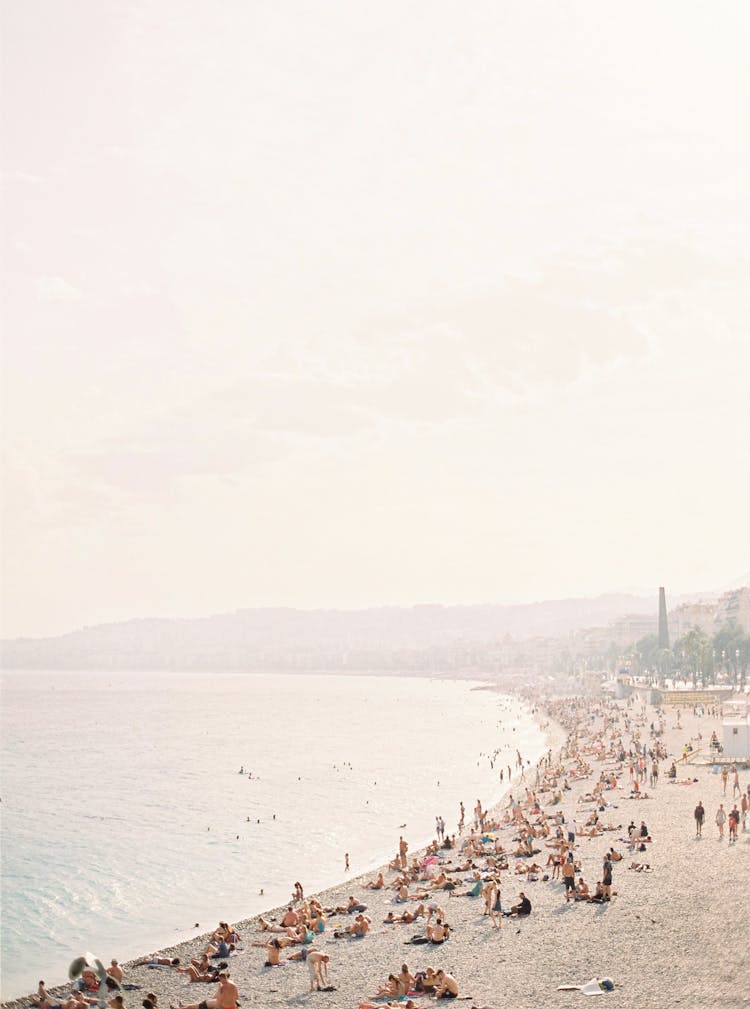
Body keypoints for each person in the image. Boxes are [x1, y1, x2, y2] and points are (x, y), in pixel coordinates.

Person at [170, 972, 238, 1009]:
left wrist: (219, 990)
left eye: (220, 979)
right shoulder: (233, 985)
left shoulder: (222, 987)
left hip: (215, 1006)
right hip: (229, 1006)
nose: (219, 981)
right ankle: (183, 1006)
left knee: (193, 1007)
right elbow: (236, 997)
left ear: (223, 978)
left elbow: (219, 1002)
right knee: (195, 1005)